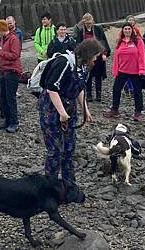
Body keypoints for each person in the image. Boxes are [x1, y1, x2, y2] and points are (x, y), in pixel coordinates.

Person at [38, 39, 103, 182]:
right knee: (54, 150)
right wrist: (62, 113)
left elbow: (79, 89)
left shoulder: (84, 67)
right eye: (95, 56)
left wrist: (85, 109)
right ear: (88, 54)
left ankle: (69, 184)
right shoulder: (64, 63)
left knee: (69, 149)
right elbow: (52, 88)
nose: (96, 59)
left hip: (69, 107)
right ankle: (51, 185)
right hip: (51, 108)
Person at [104, 22, 145, 121]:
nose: (127, 31)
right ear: (122, 30)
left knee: (137, 92)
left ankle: (138, 112)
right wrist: (115, 70)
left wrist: (142, 69)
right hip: (122, 70)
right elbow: (116, 57)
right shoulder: (120, 41)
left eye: (129, 29)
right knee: (116, 89)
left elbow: (142, 56)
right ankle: (115, 109)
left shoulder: (138, 41)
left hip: (135, 71)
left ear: (132, 30)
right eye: (125, 29)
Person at [0, 19, 22, 133]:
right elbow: (6, 54)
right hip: (4, 70)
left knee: (10, 98)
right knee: (3, 97)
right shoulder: (4, 39)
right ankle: (8, 120)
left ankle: (14, 122)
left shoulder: (13, 39)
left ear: (1, 29)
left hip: (12, 71)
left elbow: (15, 55)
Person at [72, 13, 111, 102]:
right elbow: (78, 45)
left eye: (90, 23)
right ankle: (88, 94)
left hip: (98, 56)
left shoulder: (98, 29)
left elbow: (103, 41)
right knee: (87, 76)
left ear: (92, 21)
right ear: (84, 23)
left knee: (98, 75)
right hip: (87, 57)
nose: (88, 25)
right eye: (87, 23)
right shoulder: (81, 31)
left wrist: (104, 53)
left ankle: (98, 94)